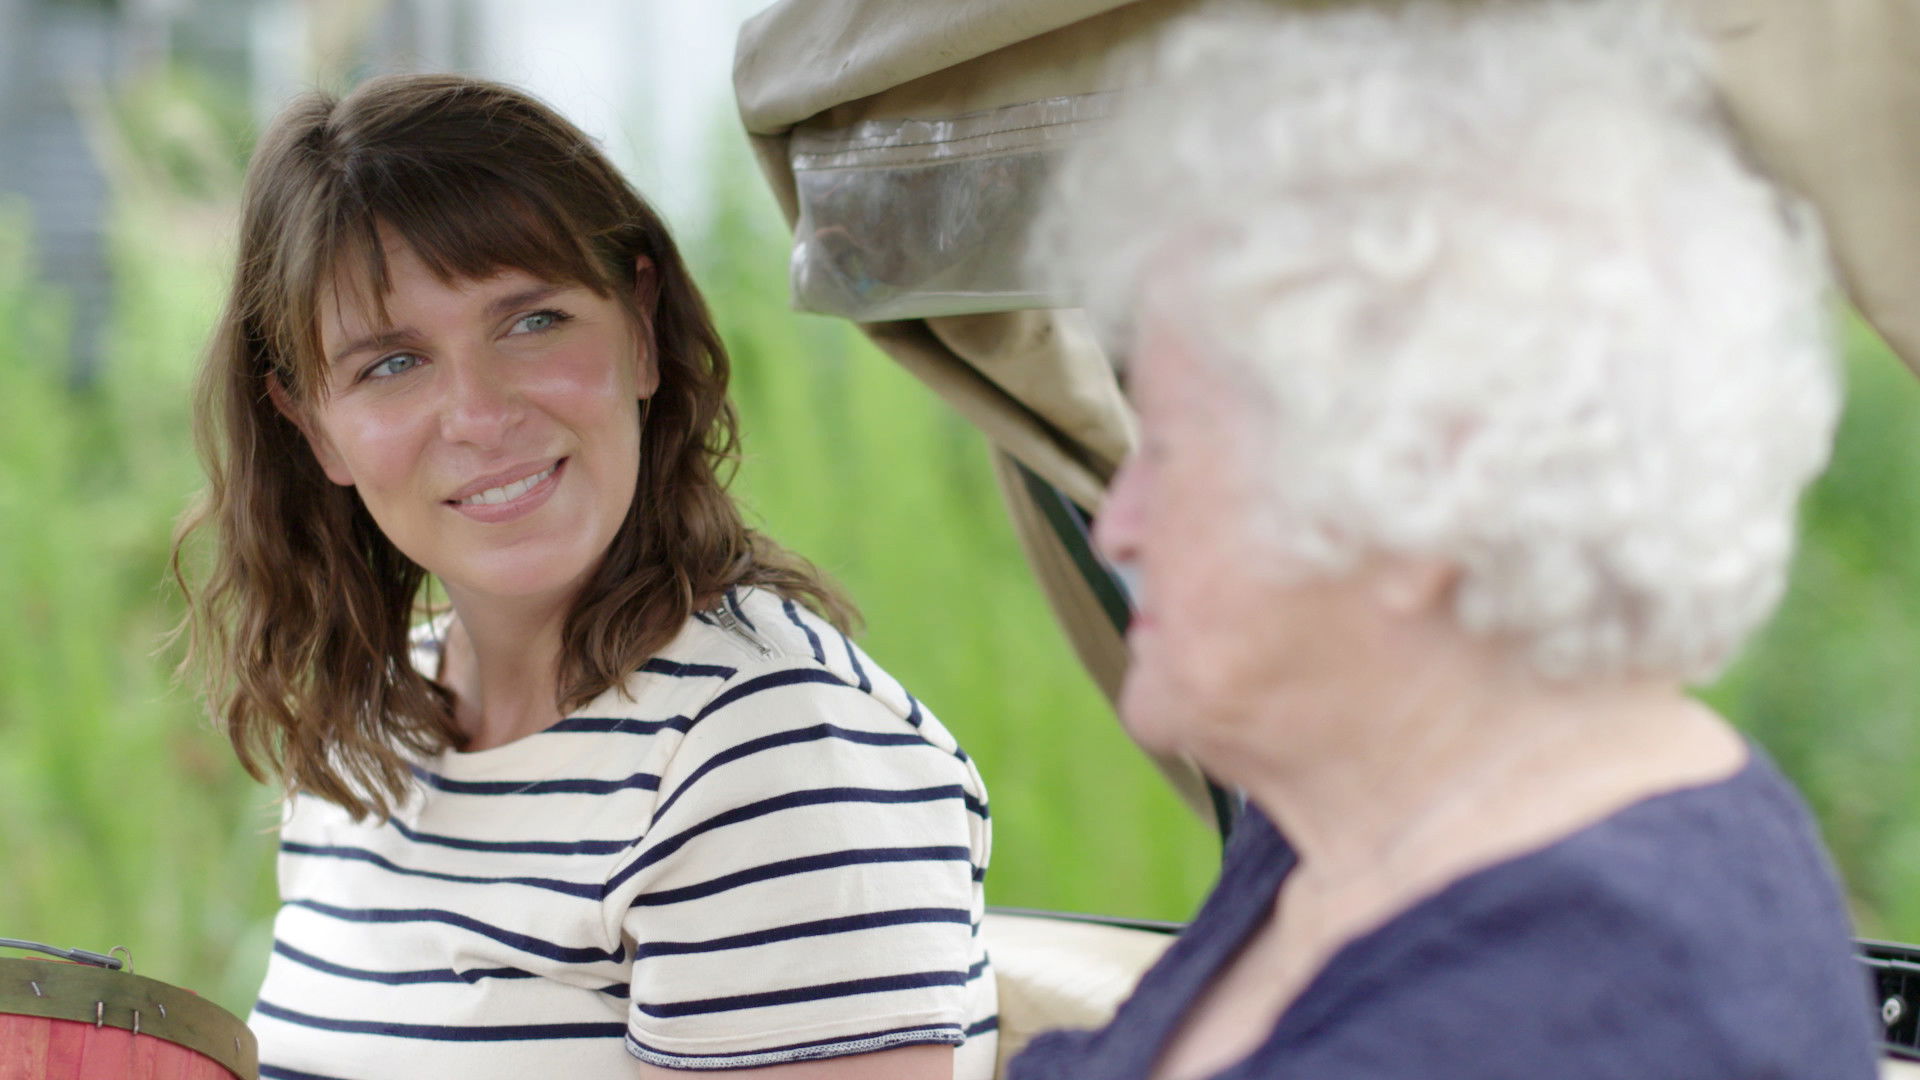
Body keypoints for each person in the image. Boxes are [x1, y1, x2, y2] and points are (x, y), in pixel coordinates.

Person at [1010, 2, 1879, 1078]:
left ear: (1427, 490)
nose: (1121, 519)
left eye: (1175, 454)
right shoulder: (1349, 823)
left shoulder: (1571, 1010)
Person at [173, 73, 994, 1080]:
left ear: (641, 328)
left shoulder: (769, 753)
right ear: (311, 426)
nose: (478, 413)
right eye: (391, 363)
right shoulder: (364, 740)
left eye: (533, 322)